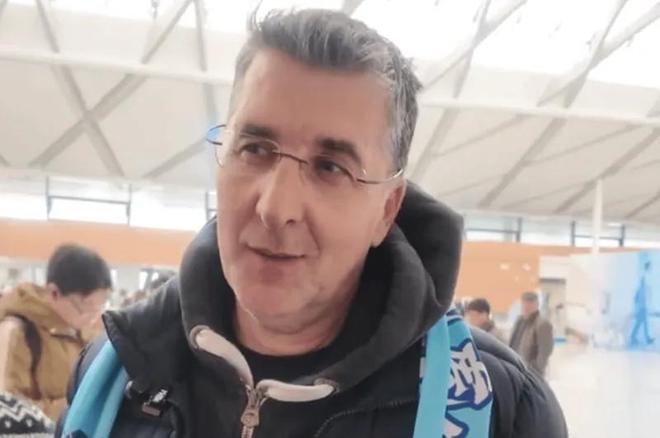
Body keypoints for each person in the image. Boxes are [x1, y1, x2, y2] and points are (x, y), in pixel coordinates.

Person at [58, 9, 566, 438]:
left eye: (331, 167)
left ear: (386, 210)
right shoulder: (115, 378)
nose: (275, 207)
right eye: (255, 149)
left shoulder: (497, 409)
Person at [0, 244, 111, 420]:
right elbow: (9, 409)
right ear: (54, 293)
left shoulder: (85, 329)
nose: (92, 317)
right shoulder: (18, 332)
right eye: (85, 308)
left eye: (99, 306)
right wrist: (78, 406)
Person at [509, 291, 554, 377]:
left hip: (530, 373)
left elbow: (544, 352)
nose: (526, 307)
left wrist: (535, 373)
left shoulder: (543, 324)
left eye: (530, 304)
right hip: (516, 370)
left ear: (536, 305)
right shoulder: (520, 321)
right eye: (525, 303)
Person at [629, 258, 654, 347]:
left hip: (643, 305)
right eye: (650, 266)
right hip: (643, 305)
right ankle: (646, 338)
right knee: (644, 322)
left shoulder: (645, 277)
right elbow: (643, 293)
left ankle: (634, 337)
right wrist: (644, 304)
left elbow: (642, 293)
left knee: (639, 322)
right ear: (648, 266)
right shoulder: (645, 277)